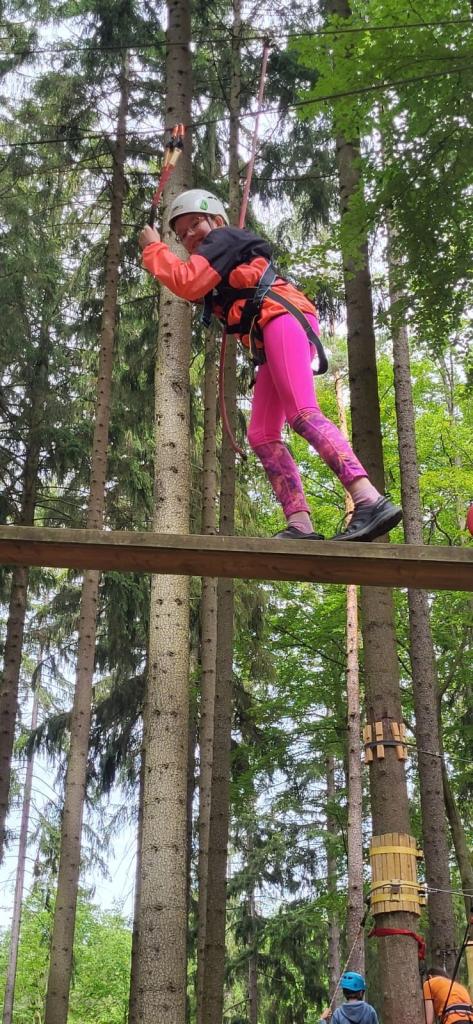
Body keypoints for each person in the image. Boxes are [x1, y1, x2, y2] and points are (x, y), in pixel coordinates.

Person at [138, 189, 402, 542]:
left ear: (216, 220)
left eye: (195, 224)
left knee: (302, 413)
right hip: (271, 335)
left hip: (282, 318)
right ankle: (300, 524)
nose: (190, 236)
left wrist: (153, 249)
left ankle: (368, 498)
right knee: (261, 434)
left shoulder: (223, 238)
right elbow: (191, 281)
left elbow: (187, 282)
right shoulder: (218, 260)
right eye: (182, 234)